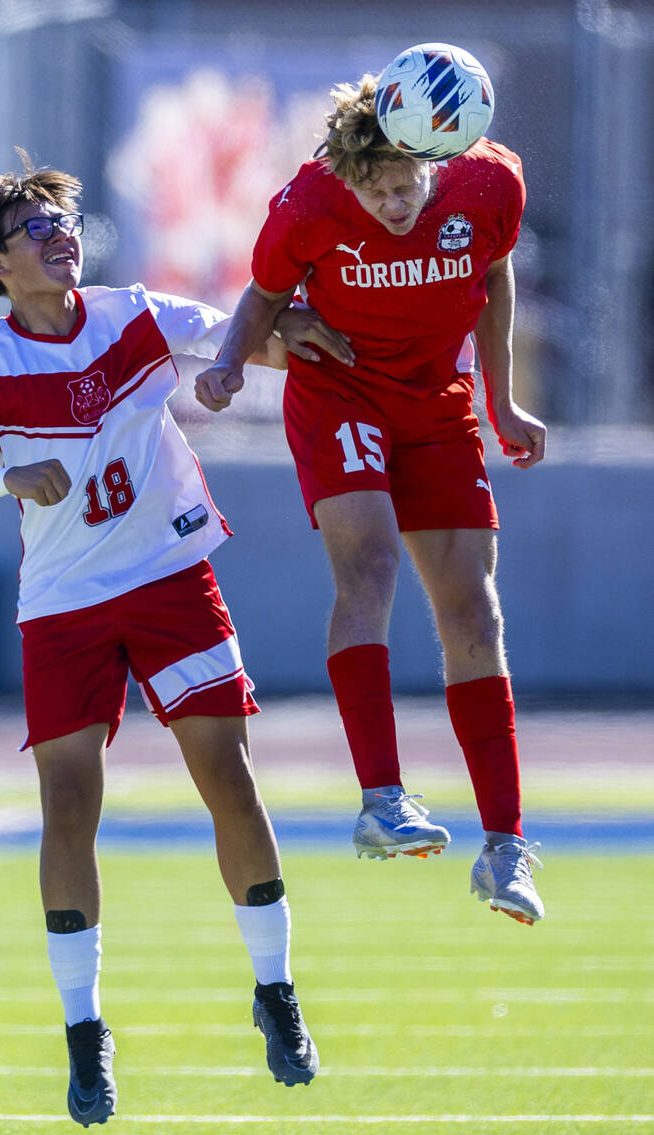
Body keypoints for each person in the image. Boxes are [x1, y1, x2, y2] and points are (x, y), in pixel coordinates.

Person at [0, 154, 320, 1127]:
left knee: (227, 773)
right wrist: (6, 482)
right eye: (35, 228)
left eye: (65, 219)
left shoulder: (134, 311)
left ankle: (275, 993)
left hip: (172, 579)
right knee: (68, 804)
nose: (60, 234)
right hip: (64, 605)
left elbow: (254, 337)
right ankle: (84, 1034)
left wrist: (300, 331)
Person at [194, 71, 546, 927]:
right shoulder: (309, 203)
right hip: (340, 392)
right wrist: (233, 361)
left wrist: (499, 401)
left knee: (475, 613)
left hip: (438, 403)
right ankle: (382, 798)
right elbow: (264, 294)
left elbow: (493, 279)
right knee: (372, 565)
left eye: (408, 185)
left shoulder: (487, 180)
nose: (395, 204)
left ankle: (505, 845)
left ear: (438, 161)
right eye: (377, 189)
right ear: (348, 178)